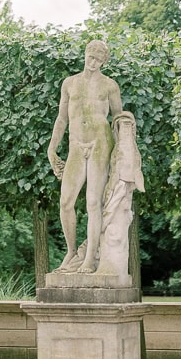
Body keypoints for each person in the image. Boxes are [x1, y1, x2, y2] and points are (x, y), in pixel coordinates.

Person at [46, 39, 124, 275]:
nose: (93, 62)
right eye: (91, 57)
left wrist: (121, 153)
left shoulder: (110, 86)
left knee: (93, 203)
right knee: (65, 201)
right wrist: (52, 148)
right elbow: (61, 119)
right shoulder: (69, 84)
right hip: (76, 144)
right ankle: (71, 251)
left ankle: (90, 258)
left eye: (99, 60)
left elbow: (118, 119)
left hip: (100, 142)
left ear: (104, 62)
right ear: (85, 55)